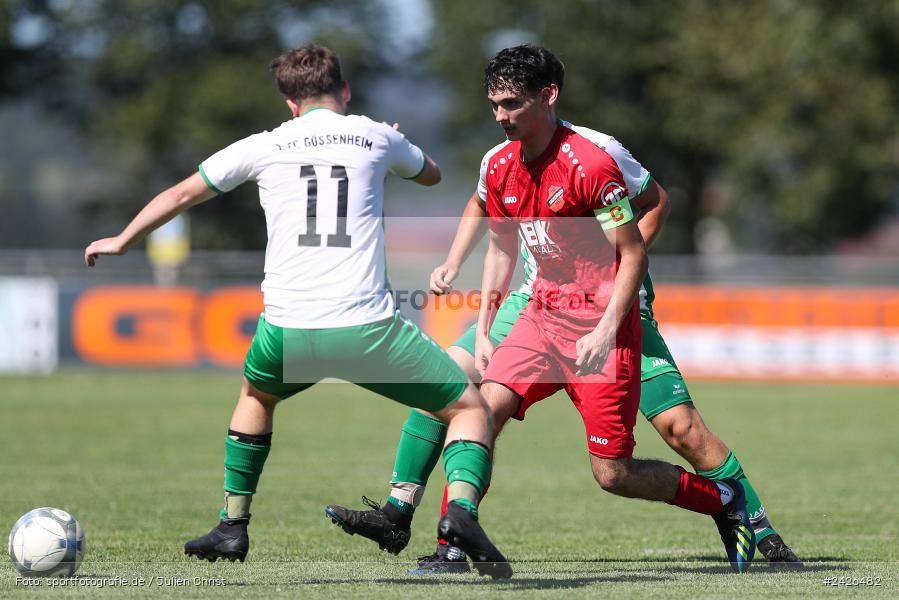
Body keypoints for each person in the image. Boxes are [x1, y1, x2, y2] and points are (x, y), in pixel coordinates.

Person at [325, 44, 759, 574]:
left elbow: (633, 253)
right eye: (494, 105)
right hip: (539, 314)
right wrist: (483, 329)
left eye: (511, 104)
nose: (501, 116)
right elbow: (503, 248)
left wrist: (605, 327)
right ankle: (454, 538)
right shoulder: (501, 164)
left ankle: (726, 501)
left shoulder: (592, 164)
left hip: (601, 329)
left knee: (613, 473)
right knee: (476, 408)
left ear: (548, 96)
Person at [83, 44, 512, 579]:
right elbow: (430, 174)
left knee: (255, 396)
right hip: (366, 329)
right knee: (469, 410)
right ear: (345, 91)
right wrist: (394, 140)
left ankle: (231, 526)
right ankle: (459, 517)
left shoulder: (265, 145)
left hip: (287, 329)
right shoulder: (374, 134)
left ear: (290, 101)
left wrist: (124, 239)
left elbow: (181, 194)